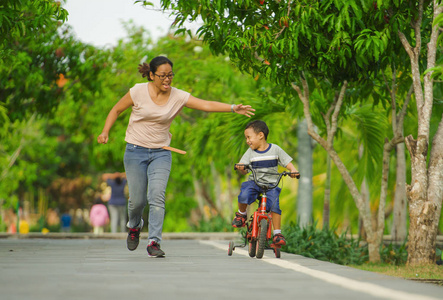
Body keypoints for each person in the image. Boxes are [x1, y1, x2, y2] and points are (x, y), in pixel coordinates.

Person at [97, 56, 255, 257]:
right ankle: (135, 226)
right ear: (152, 75)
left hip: (162, 153)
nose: (167, 80)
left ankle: (154, 241)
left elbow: (205, 104)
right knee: (137, 200)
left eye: (170, 75)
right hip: (135, 151)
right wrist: (105, 131)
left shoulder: (178, 96)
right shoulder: (138, 91)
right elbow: (116, 109)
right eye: (162, 76)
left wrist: (233, 107)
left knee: (156, 196)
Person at [231, 120, 299, 246]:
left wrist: (293, 169)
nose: (247, 141)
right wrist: (241, 168)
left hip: (271, 186)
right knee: (244, 194)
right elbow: (244, 170)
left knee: (275, 207)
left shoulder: (275, 149)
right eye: (246, 138)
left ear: (260, 135)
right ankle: (241, 214)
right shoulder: (250, 152)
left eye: (249, 137)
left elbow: (286, 162)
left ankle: (277, 234)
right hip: (254, 183)